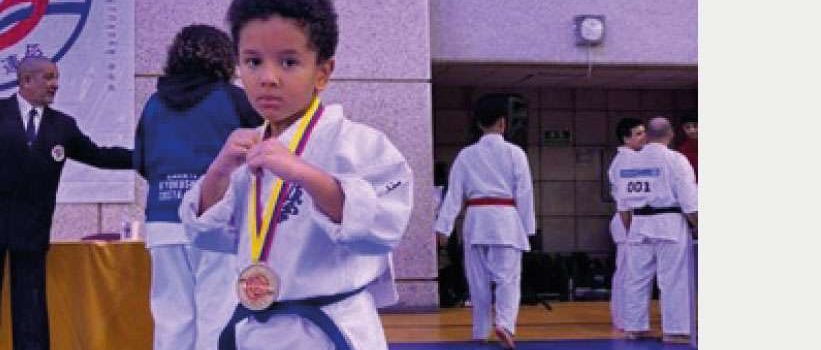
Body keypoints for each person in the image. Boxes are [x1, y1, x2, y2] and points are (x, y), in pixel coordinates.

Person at [178, 0, 413, 348]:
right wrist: (218, 171)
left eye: (289, 62)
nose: (267, 78)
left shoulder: (357, 144)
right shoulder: (247, 152)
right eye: (253, 62)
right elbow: (206, 234)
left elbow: (383, 229)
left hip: (329, 330)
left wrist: (305, 174)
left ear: (322, 72)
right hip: (257, 328)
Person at [0, 56, 133, 350]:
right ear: (25, 81)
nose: (55, 84)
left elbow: (98, 155)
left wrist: (146, 157)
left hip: (32, 229)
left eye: (56, 77)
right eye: (48, 78)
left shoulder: (62, 125)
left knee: (31, 310)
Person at [134, 24, 263, 350]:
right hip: (218, 222)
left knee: (170, 317)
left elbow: (142, 162)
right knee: (217, 313)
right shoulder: (235, 100)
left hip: (163, 220)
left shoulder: (153, 104)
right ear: (224, 57)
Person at [433, 94, 536, 349]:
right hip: (506, 221)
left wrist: (443, 228)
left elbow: (454, 195)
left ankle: (480, 331)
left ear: (479, 124)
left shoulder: (466, 156)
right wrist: (528, 229)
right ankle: (505, 324)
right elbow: (524, 194)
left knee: (477, 280)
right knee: (507, 279)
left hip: (476, 221)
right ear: (503, 123)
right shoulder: (515, 154)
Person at [608, 117, 698, 344]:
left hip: (638, 223)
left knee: (636, 279)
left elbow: (623, 204)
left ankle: (635, 327)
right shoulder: (676, 160)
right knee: (673, 279)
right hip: (669, 222)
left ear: (647, 135)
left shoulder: (628, 161)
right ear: (671, 135)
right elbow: (689, 201)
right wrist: (698, 226)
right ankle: (675, 330)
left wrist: (632, 229)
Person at [607, 117, 646, 334]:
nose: (644, 137)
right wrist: (629, 226)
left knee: (631, 273)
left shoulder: (632, 158)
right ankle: (622, 319)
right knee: (626, 273)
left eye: (644, 132)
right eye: (638, 133)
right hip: (626, 220)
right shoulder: (624, 160)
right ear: (626, 138)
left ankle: (626, 318)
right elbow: (625, 199)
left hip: (633, 219)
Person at [676, 113, 697, 181]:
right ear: (683, 129)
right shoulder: (682, 150)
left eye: (695, 126)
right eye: (687, 127)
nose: (692, 130)